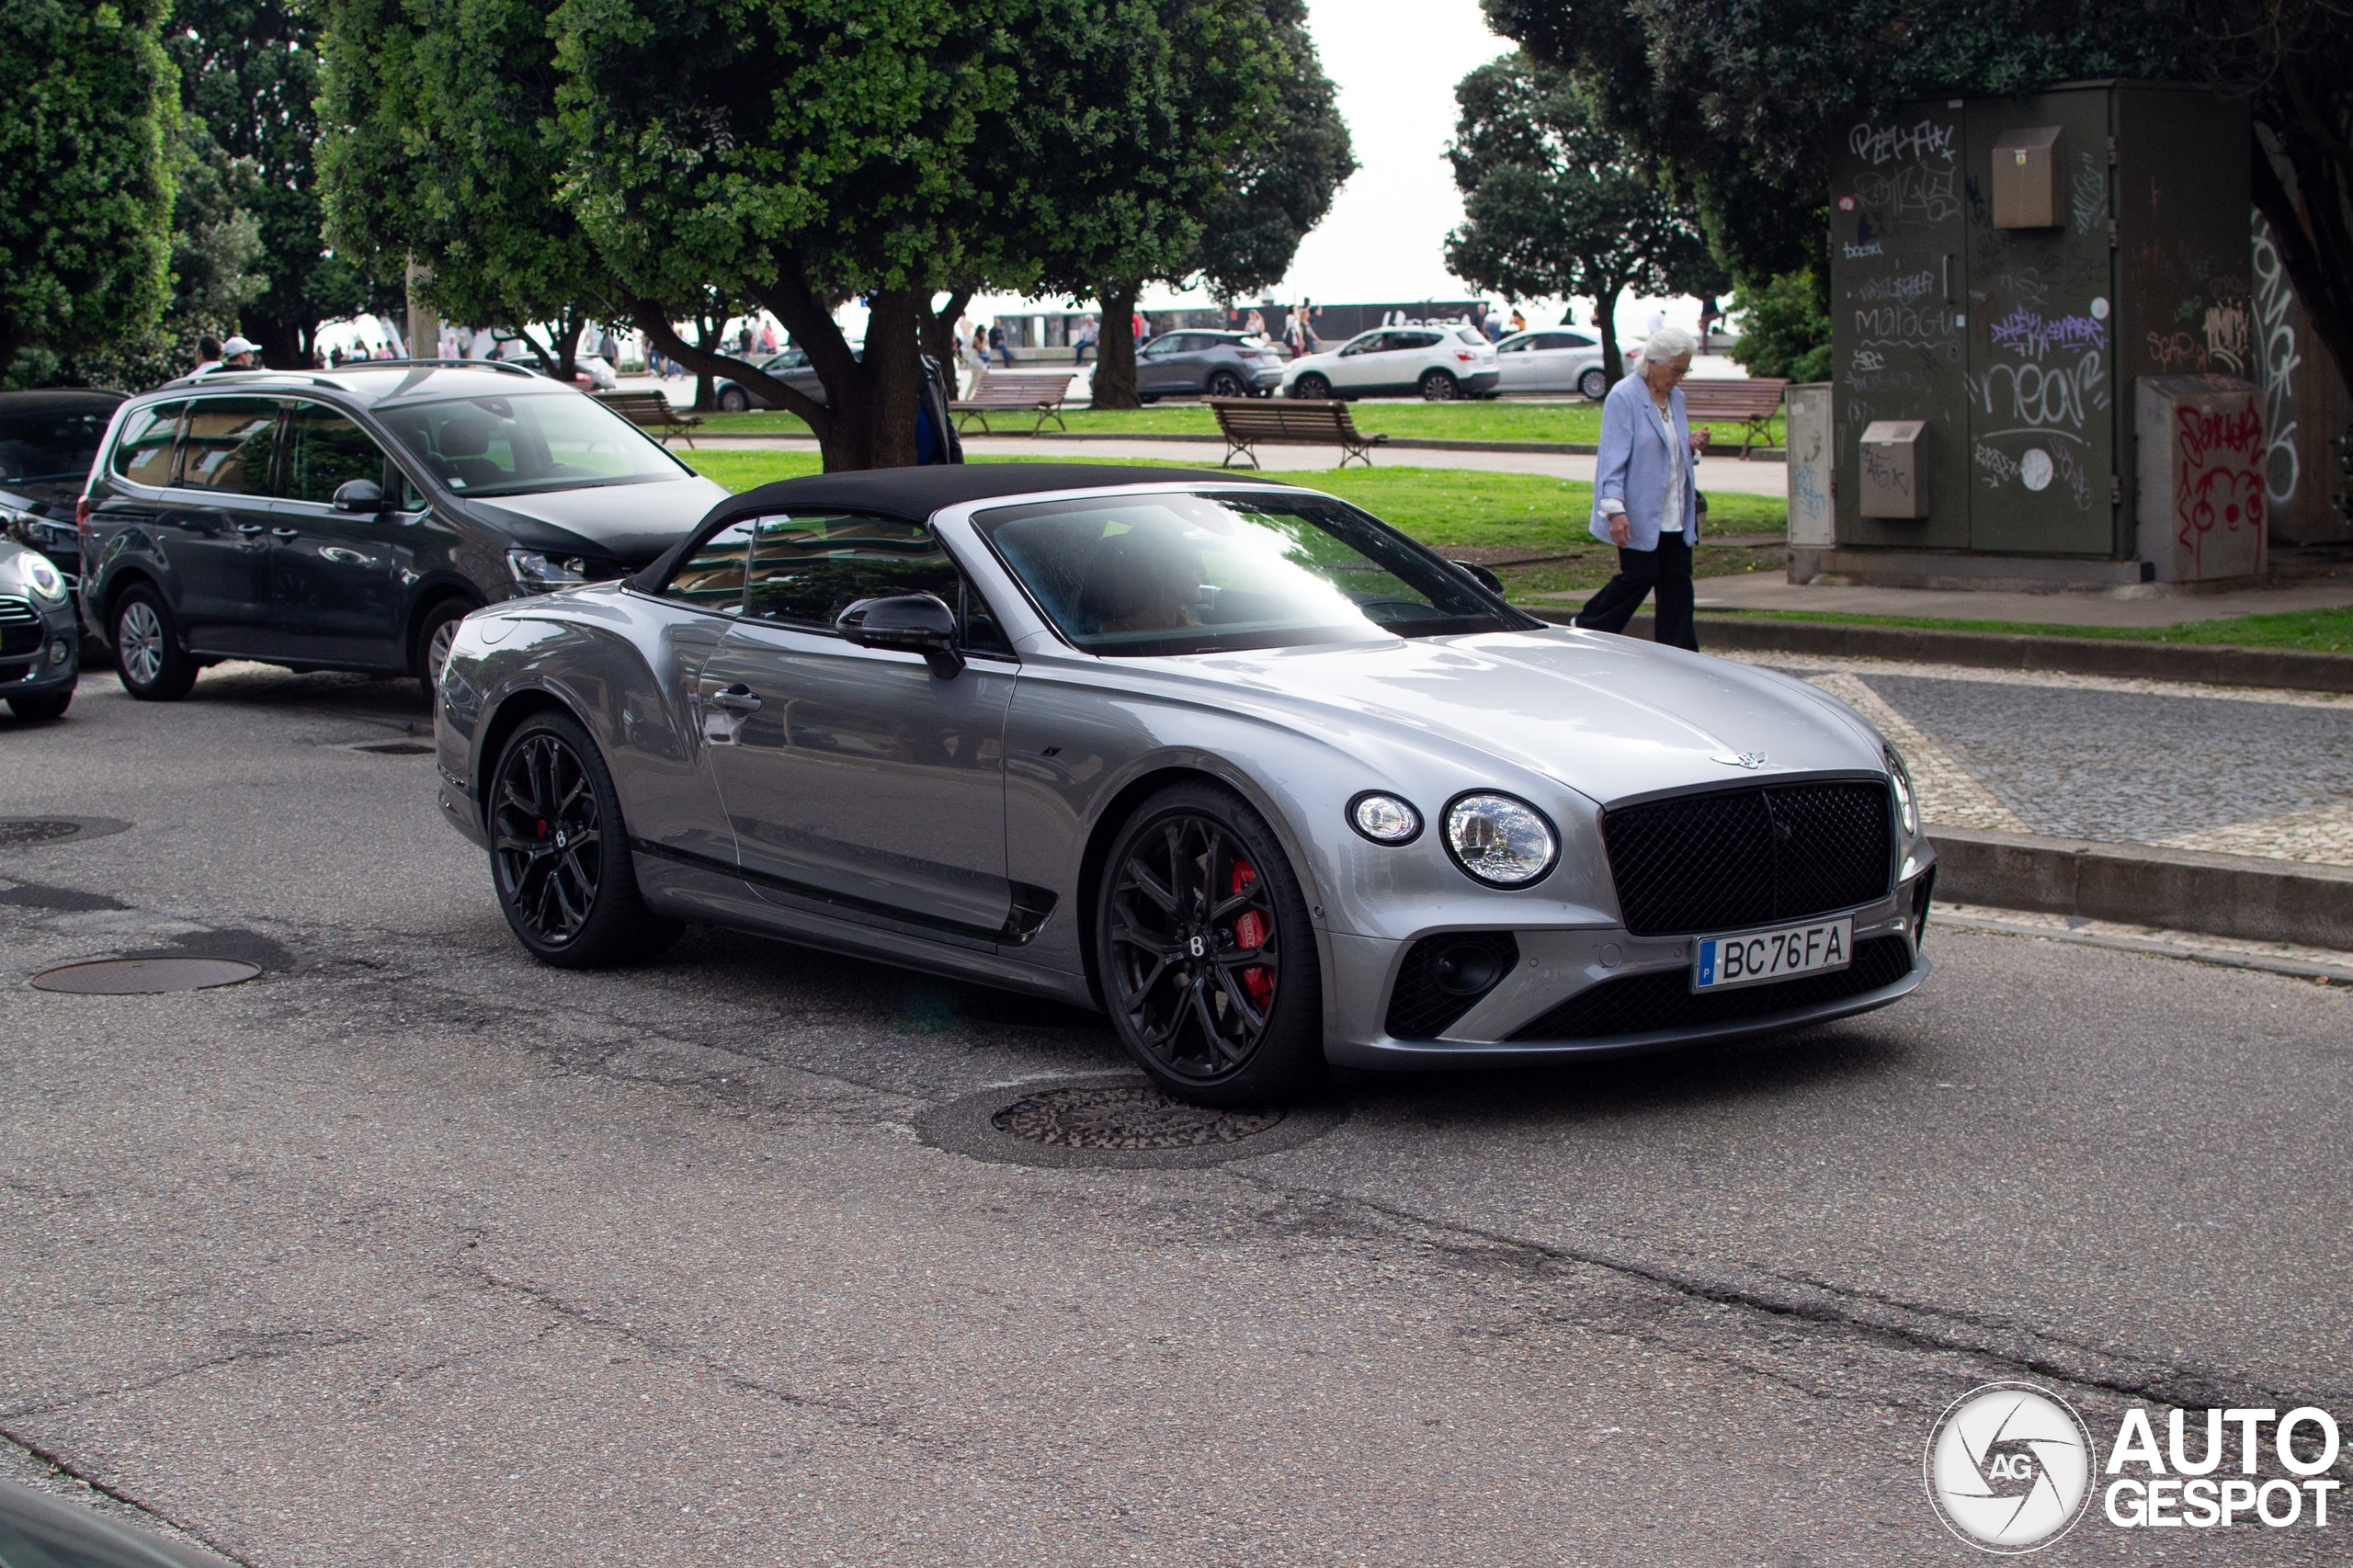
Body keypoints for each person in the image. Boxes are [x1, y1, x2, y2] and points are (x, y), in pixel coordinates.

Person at [1574, 325, 1705, 652]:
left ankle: (1680, 652)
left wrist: (1692, 446)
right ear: (1654, 362)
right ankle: (1589, 625)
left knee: (1677, 581)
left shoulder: (1677, 398)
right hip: (1639, 509)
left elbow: (1668, 448)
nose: (1679, 378)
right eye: (1676, 370)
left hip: (1675, 507)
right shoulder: (1624, 396)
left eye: (1684, 371)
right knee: (1639, 575)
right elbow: (1612, 459)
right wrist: (1614, 511)